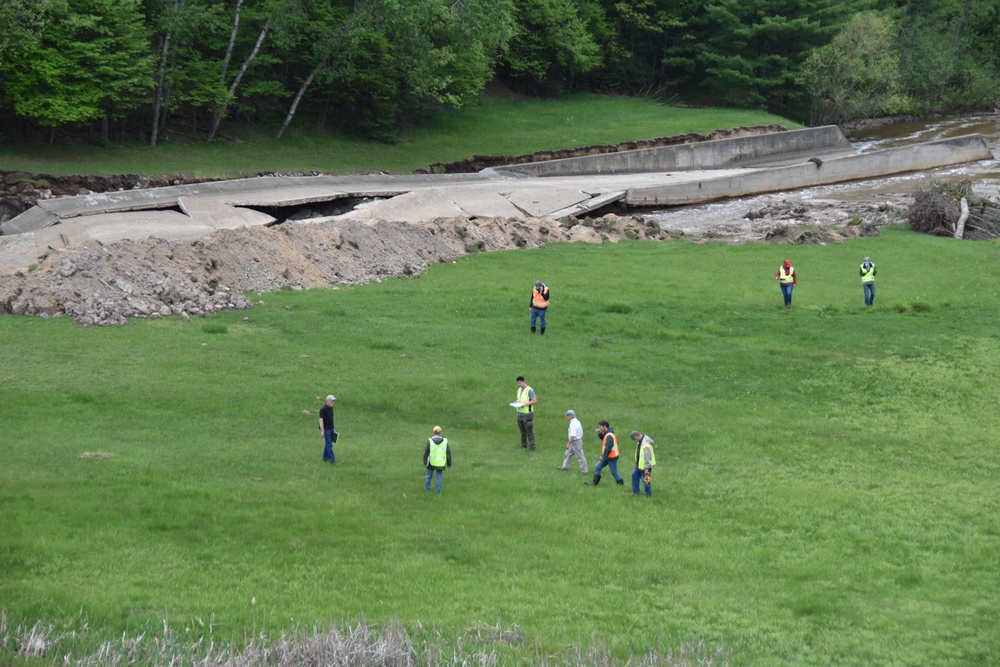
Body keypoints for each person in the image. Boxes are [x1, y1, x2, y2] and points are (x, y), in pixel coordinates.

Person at [586, 420, 623, 487]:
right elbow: (605, 440)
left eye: (600, 426)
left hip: (611, 457)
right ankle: (594, 483)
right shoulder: (608, 433)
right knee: (598, 467)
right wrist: (600, 434)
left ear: (605, 426)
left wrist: (603, 456)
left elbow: (608, 447)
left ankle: (621, 484)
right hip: (608, 456)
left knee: (614, 472)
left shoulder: (609, 435)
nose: (599, 427)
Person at [423, 425, 452, 493]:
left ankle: (426, 489)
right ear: (440, 432)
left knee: (428, 476)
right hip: (440, 463)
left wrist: (425, 462)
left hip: (431, 462)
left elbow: (426, 452)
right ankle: (438, 491)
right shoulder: (444, 441)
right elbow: (448, 453)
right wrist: (449, 464)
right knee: (439, 477)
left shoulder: (430, 441)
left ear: (433, 432)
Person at [559, 409, 588, 473]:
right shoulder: (575, 422)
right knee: (567, 454)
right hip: (574, 442)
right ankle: (565, 467)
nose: (566, 417)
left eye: (567, 415)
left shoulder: (573, 424)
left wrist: (568, 443)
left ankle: (584, 470)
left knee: (580, 456)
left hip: (575, 442)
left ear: (571, 416)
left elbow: (573, 436)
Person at [630, 430, 656, 497]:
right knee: (634, 475)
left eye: (634, 439)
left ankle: (648, 495)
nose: (634, 440)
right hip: (639, 465)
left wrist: (647, 468)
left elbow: (647, 457)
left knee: (646, 480)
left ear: (636, 436)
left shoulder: (645, 444)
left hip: (645, 466)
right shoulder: (640, 441)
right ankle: (636, 492)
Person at [514, 375, 537, 450]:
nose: (519, 384)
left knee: (529, 431)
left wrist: (524, 404)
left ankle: (532, 446)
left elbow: (534, 401)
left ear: (524, 381)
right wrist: (517, 402)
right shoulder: (519, 390)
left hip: (527, 414)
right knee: (522, 431)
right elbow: (520, 399)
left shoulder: (529, 390)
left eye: (520, 383)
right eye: (518, 383)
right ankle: (523, 444)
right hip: (520, 413)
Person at [318, 395, 336, 464]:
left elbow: (331, 419)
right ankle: (332, 459)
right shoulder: (323, 409)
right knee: (329, 445)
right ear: (327, 401)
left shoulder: (331, 408)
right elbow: (321, 420)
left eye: (333, 401)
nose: (333, 402)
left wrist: (334, 428)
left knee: (328, 444)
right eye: (332, 401)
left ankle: (325, 457)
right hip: (326, 429)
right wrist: (322, 431)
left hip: (331, 428)